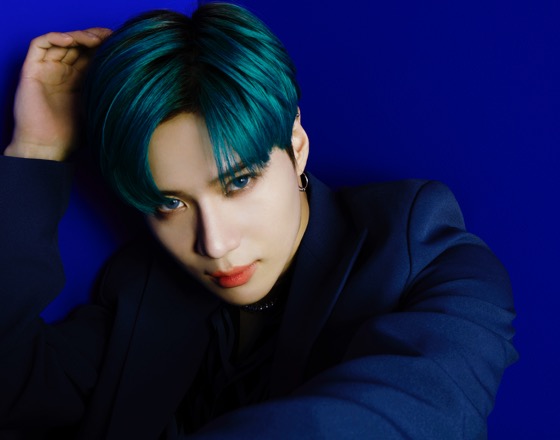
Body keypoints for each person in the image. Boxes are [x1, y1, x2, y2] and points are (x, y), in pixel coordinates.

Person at [0, 3, 518, 439]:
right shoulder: (142, 284)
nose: (214, 244)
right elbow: (14, 386)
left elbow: (424, 411)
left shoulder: (422, 253)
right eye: (170, 204)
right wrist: (37, 150)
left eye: (239, 182)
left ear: (296, 145)